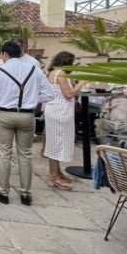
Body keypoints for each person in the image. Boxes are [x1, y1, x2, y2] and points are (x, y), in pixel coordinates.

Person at [0, 41, 54, 206]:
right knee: (25, 155)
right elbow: (49, 94)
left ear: (4, 54)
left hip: (5, 114)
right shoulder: (35, 70)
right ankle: (25, 194)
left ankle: (3, 192)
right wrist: (31, 100)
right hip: (27, 116)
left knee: (4, 154)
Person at [44, 51, 86, 190]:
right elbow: (68, 94)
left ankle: (56, 172)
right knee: (57, 143)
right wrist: (81, 84)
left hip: (53, 110)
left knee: (54, 142)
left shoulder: (52, 72)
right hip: (60, 111)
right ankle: (53, 175)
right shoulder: (61, 73)